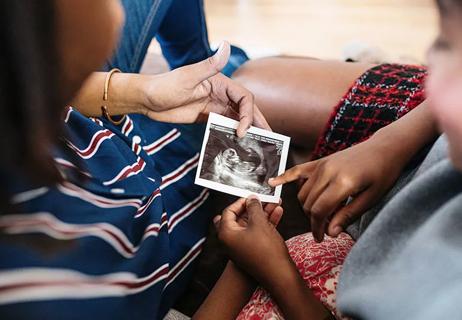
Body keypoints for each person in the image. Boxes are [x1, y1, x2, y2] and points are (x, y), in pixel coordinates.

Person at [193, 0, 462, 319]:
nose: (427, 60)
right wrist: (390, 141)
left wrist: (269, 271)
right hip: (397, 182)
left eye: (445, 45)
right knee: (250, 81)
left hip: (317, 276)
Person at [0, 1, 268, 319]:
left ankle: (208, 61)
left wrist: (143, 92)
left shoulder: (27, 76)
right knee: (243, 71)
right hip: (157, 207)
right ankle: (233, 61)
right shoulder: (50, 295)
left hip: (108, 130)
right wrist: (247, 268)